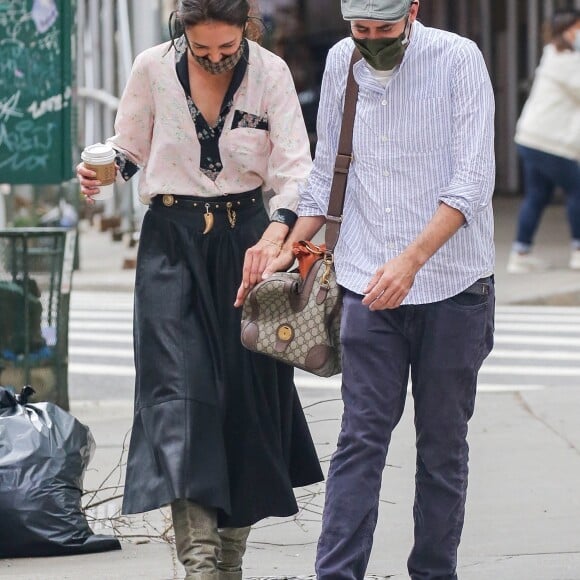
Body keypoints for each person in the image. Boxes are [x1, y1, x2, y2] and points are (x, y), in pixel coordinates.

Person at [241, 0, 496, 578]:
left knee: (442, 447)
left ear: (413, 10)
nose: (373, 39)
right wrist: (283, 241)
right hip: (362, 282)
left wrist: (412, 260)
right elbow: (330, 170)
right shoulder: (341, 61)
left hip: (453, 285)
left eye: (385, 29)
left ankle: (434, 571)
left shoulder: (458, 59)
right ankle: (337, 573)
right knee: (360, 440)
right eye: (362, 29)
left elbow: (475, 176)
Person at [76, 1, 323, 579]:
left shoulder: (270, 73)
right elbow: (129, 149)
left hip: (251, 245)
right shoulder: (153, 67)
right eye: (201, 48)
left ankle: (229, 558)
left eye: (226, 49)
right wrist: (103, 169)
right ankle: (202, 563)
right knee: (177, 397)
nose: (214, 59)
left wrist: (280, 235)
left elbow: (295, 168)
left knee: (249, 400)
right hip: (171, 242)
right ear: (181, 31)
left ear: (246, 31)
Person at [507, 9, 580, 273]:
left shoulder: (556, 55)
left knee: (537, 195)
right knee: (577, 191)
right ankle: (578, 251)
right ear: (567, 30)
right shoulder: (565, 60)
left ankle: (520, 254)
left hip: (532, 138)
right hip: (550, 142)